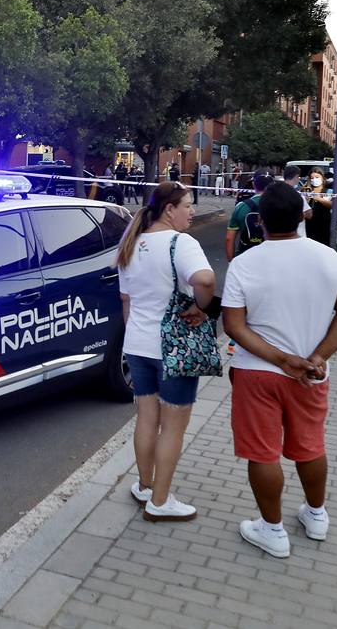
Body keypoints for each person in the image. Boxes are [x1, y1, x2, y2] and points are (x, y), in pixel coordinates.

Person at [222, 183, 337, 558]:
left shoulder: (243, 264)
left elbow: (234, 326)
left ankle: (272, 531)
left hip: (256, 371)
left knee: (263, 453)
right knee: (310, 445)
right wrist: (316, 357)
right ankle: (316, 516)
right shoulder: (330, 258)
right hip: (311, 373)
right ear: (303, 215)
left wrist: (281, 359)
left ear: (260, 219)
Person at [115, 181, 217, 523]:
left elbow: (126, 301)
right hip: (173, 348)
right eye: (187, 205)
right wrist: (201, 307)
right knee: (173, 427)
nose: (191, 211)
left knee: (146, 418)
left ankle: (145, 486)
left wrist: (135, 338)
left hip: (138, 345)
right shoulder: (180, 243)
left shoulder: (131, 244)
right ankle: (160, 501)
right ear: (169, 209)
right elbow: (204, 279)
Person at [226, 172, 273, 262]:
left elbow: (229, 238)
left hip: (245, 257)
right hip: (271, 259)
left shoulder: (241, 206)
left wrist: (231, 261)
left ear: (253, 184)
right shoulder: (280, 205)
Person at [304, 169, 332, 244]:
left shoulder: (328, 191)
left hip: (324, 223)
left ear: (322, 178)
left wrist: (318, 198)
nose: (314, 180)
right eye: (312, 178)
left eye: (317, 177)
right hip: (310, 224)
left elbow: (331, 205)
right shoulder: (306, 191)